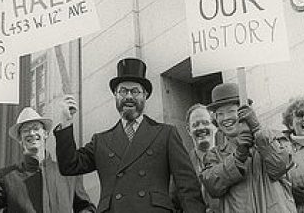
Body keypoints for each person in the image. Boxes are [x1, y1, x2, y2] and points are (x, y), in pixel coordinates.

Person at [54, 58, 206, 213]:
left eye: (135, 91)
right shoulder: (101, 141)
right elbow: (69, 165)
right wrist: (66, 121)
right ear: (115, 95)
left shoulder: (166, 133)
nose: (128, 97)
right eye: (123, 91)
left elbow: (187, 187)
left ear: (145, 95)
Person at [0, 107, 96, 213]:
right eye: (26, 130)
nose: (31, 133)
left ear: (45, 133)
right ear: (20, 139)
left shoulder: (67, 174)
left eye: (35, 128)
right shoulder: (6, 177)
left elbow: (85, 207)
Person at [200, 83, 297, 213]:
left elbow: (280, 165)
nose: (226, 118)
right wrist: (238, 157)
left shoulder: (275, 137)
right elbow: (213, 186)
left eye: (231, 111)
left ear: (244, 112)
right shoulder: (214, 155)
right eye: (220, 114)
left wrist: (257, 131)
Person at [185, 104, 220, 213]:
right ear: (188, 130)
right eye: (195, 125)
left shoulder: (230, 157)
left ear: (215, 126)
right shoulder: (182, 164)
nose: (201, 128)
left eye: (205, 123)